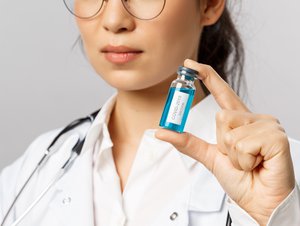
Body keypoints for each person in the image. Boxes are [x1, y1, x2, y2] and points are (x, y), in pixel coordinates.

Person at [0, 0, 299, 225]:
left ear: (209, 4)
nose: (115, 20)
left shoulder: (284, 177)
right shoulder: (37, 167)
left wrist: (271, 218)